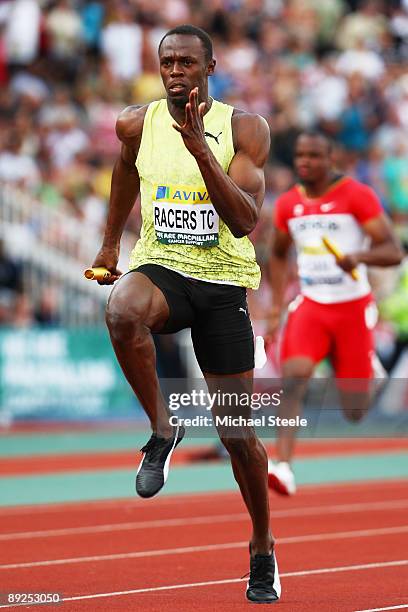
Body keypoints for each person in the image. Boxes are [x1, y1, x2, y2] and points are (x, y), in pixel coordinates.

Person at [91, 25, 280, 604]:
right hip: (163, 269)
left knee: (238, 437)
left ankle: (263, 545)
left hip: (222, 282)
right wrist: (109, 248)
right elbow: (125, 171)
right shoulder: (136, 123)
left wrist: (200, 149)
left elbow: (245, 219)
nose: (175, 70)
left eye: (186, 62)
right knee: (122, 308)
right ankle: (163, 428)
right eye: (167, 61)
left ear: (210, 67)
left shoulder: (244, 129)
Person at [265, 131, 403, 496]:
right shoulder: (288, 205)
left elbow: (393, 251)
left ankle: (367, 367)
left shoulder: (357, 196)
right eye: (299, 156)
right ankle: (283, 465)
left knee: (355, 411)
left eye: (313, 155)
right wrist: (278, 307)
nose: (305, 162)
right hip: (311, 305)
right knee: (294, 377)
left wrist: (358, 257)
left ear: (332, 158)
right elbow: (277, 254)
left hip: (353, 308)